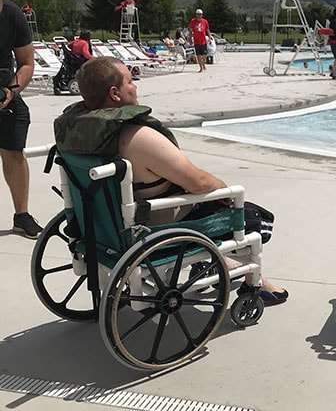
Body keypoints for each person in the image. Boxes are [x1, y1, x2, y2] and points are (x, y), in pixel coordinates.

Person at [53, 56, 289, 305]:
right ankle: (254, 281)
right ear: (115, 94)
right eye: (130, 81)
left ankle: (224, 263)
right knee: (252, 216)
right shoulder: (137, 138)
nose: (135, 86)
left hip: (100, 224)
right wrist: (226, 191)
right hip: (152, 227)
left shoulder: (77, 136)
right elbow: (198, 182)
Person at [0, 0, 43, 239]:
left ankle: (21, 216)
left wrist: (11, 92)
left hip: (6, 88)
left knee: (14, 152)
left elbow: (26, 62)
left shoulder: (13, 15)